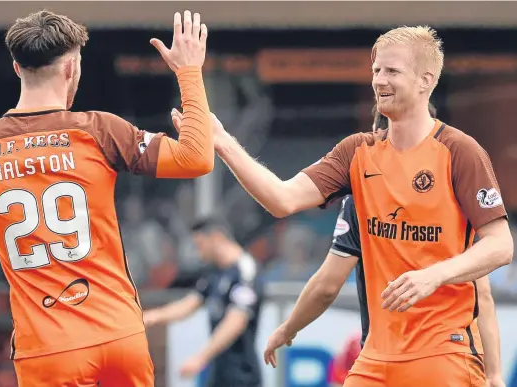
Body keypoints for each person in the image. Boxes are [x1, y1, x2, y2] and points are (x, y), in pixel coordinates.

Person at [173, 26, 514, 386]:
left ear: (425, 80)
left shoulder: (460, 152)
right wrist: (223, 142)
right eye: (376, 70)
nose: (380, 80)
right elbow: (281, 199)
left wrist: (434, 275)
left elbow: (500, 245)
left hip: (444, 353)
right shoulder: (356, 152)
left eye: (392, 71)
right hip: (375, 358)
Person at [0, 9, 212, 387]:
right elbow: (197, 158)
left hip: (47, 349)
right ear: (72, 68)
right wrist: (189, 72)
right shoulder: (99, 131)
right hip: (119, 337)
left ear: (16, 68)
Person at [327, 106, 505, 387]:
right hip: (379, 355)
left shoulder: (451, 186)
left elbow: (483, 287)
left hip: (441, 352)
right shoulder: (361, 195)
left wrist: (494, 374)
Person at [143, 218, 263, 387]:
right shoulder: (215, 272)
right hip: (219, 374)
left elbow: (237, 320)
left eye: (200, 245)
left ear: (215, 238)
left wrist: (201, 357)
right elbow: (189, 304)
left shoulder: (245, 269)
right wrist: (151, 317)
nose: (199, 252)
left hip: (243, 376)